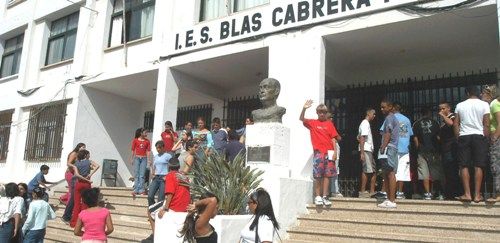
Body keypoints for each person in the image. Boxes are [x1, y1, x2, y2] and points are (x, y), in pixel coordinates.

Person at [454, 86, 490, 203]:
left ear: (467, 93)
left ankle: (467, 194)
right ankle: (477, 195)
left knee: (464, 165)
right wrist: (486, 138)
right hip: (479, 136)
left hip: (464, 135)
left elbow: (456, 124)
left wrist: (457, 137)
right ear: (478, 93)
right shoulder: (484, 105)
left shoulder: (460, 105)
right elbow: (486, 124)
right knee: (478, 165)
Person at [300, 100, 338, 206]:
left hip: (329, 153)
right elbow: (301, 119)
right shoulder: (313, 123)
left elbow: (334, 139)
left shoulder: (330, 124)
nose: (322, 114)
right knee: (318, 175)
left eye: (324, 112)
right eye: (320, 112)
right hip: (318, 153)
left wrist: (335, 152)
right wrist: (304, 108)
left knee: (327, 175)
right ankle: (318, 196)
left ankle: (325, 196)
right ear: (317, 112)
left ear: (326, 113)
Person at [414, 107, 441, 200]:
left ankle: (427, 193)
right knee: (435, 172)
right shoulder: (435, 123)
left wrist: (417, 149)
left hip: (422, 151)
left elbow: (415, 139)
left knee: (424, 172)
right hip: (433, 150)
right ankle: (436, 192)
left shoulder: (416, 124)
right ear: (429, 113)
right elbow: (438, 137)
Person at [377, 99, 399, 208]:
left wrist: (383, 146)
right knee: (386, 173)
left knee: (390, 173)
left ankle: (392, 200)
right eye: (381, 107)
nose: (382, 109)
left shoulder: (390, 118)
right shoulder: (388, 118)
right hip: (389, 148)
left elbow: (388, 133)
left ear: (390, 107)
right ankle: (388, 198)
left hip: (390, 148)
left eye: (384, 107)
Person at [70, 150, 100, 228]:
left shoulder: (76, 163)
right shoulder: (89, 161)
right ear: (86, 155)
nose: (89, 155)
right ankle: (83, 222)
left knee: (76, 204)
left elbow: (76, 174)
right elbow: (97, 166)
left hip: (78, 184)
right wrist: (90, 175)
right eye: (88, 154)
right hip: (86, 184)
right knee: (85, 203)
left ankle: (74, 222)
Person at [438, 102, 461, 199]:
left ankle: (454, 193)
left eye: (443, 109)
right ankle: (449, 192)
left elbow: (452, 124)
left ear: (449, 108)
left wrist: (443, 116)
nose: (441, 111)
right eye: (440, 109)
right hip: (445, 149)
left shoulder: (452, 117)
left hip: (451, 148)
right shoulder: (443, 122)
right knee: (447, 172)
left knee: (452, 171)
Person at [393, 102, 413, 200]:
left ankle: (390, 192)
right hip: (405, 148)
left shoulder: (390, 118)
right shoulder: (407, 120)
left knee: (392, 171)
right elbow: (410, 134)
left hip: (393, 148)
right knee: (402, 172)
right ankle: (400, 192)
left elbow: (383, 132)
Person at [62, 143, 86, 223]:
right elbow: (68, 163)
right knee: (73, 195)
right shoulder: (74, 154)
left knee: (74, 194)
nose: (84, 148)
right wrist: (75, 167)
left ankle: (69, 213)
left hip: (75, 175)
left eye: (84, 147)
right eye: (83, 147)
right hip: (70, 175)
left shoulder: (80, 155)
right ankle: (66, 216)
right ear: (78, 147)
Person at [358, 108, 377, 198]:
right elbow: (362, 138)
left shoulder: (365, 124)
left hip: (368, 149)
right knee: (367, 170)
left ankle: (371, 190)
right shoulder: (365, 123)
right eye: (373, 114)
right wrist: (362, 152)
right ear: (369, 114)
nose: (374, 116)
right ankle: (363, 191)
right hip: (366, 149)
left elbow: (358, 137)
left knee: (372, 170)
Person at [148, 140, 172, 206]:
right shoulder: (156, 156)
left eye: (159, 148)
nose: (158, 149)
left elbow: (171, 167)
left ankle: (158, 211)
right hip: (156, 177)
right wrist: (152, 174)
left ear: (163, 147)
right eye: (157, 148)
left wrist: (168, 176)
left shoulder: (168, 156)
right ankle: (153, 209)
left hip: (164, 178)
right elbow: (154, 166)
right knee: (150, 196)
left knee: (161, 198)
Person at [487, 86, 500, 202]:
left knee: (496, 165)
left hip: (497, 138)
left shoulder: (494, 104)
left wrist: (495, 136)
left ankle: (498, 193)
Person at [131, 128, 152, 196]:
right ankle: (135, 189)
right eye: (145, 132)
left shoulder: (147, 141)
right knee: (136, 174)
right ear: (141, 133)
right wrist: (132, 159)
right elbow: (133, 150)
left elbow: (148, 151)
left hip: (144, 158)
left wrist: (148, 160)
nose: (146, 134)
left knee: (142, 175)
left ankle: (141, 190)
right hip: (137, 158)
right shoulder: (135, 140)